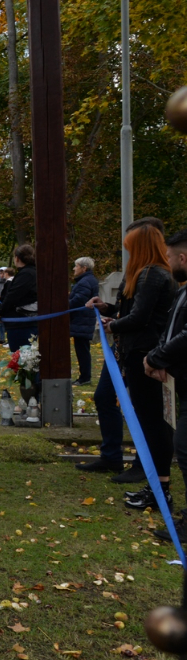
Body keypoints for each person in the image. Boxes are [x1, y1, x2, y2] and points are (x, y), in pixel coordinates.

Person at [83, 222, 175, 504]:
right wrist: (109, 311)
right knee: (144, 416)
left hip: (144, 354)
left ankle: (158, 486)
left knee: (151, 420)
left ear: (141, 247)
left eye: (130, 247)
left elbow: (140, 318)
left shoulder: (152, 275)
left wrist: (113, 327)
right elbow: (130, 311)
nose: (127, 253)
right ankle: (154, 484)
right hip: (133, 350)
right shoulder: (142, 274)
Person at [146, 229, 187, 541]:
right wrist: (159, 357)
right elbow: (171, 328)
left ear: (182, 258)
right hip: (179, 378)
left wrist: (158, 357)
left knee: (183, 449)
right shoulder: (183, 291)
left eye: (171, 256)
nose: (169, 261)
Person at [0, 245, 38, 352]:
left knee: (21, 357)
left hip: (21, 324)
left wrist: (0, 311)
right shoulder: (31, 272)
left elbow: (13, 295)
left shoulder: (26, 274)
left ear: (17, 258)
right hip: (25, 322)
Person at [68, 257, 99, 385]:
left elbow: (78, 300)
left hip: (82, 320)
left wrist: (63, 305)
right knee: (82, 349)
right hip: (81, 320)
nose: (74, 269)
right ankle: (84, 376)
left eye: (76, 266)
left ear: (84, 268)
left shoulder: (85, 282)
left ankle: (85, 377)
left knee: (82, 350)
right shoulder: (86, 280)